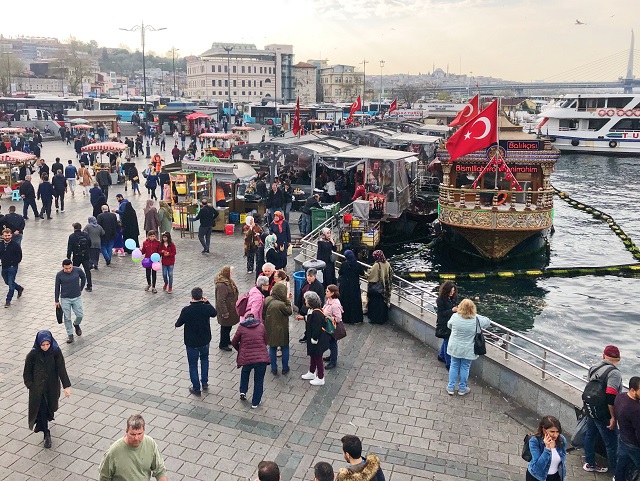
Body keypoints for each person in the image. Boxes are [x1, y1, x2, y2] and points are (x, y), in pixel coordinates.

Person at [23, 330, 71, 449]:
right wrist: (30, 385)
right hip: (38, 389)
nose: (45, 347)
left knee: (50, 407)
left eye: (47, 344)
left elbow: (61, 369)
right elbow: (27, 372)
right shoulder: (33, 354)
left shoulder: (55, 352)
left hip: (51, 387)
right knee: (42, 409)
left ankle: (43, 424)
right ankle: (46, 433)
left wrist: (66, 386)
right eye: (43, 345)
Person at [583, 345, 623, 473]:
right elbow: (611, 395)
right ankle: (617, 474)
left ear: (603, 355)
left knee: (590, 436)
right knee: (612, 444)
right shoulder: (614, 373)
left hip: (591, 408)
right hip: (604, 413)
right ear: (619, 358)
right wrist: (613, 417)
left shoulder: (594, 367)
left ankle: (589, 463)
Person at [98, 414, 167, 481]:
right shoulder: (113, 452)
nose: (136, 438)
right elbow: (104, 477)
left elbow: (160, 470)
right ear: (127, 431)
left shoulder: (150, 444)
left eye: (140, 434)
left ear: (144, 431)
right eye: (133, 434)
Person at [175, 287, 217, 396]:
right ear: (201, 296)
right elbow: (214, 313)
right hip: (204, 340)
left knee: (193, 365)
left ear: (192, 296)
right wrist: (207, 301)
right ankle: (205, 382)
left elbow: (178, 323)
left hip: (192, 343)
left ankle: (196, 388)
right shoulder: (206, 308)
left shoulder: (187, 310)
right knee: (204, 360)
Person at [446, 299, 491, 395]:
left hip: (455, 347)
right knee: (465, 367)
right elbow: (487, 321)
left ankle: (450, 387)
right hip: (468, 348)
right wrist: (476, 315)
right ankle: (462, 388)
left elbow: (449, 325)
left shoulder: (455, 316)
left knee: (454, 365)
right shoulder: (476, 319)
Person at [231, 312, 270, 408]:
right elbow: (265, 341)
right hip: (261, 358)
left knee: (245, 372)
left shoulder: (241, 327)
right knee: (259, 380)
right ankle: (255, 403)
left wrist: (240, 349)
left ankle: (243, 391)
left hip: (247, 358)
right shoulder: (261, 326)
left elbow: (234, 342)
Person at [301, 291, 330, 386]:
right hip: (313, 339)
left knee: (318, 357)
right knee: (313, 355)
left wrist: (314, 338)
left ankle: (321, 377)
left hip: (317, 340)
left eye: (306, 300)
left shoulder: (316, 313)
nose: (305, 302)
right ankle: (312, 372)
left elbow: (317, 327)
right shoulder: (313, 310)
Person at [614, 376, 640, 481]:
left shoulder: (620, 397)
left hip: (623, 437)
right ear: (633, 390)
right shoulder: (636, 410)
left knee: (622, 464)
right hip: (634, 444)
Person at [55, 259, 86, 343]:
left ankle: (76, 324)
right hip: (65, 298)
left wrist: (80, 288)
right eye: (66, 268)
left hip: (76, 297)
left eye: (70, 268)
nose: (68, 270)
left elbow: (83, 277)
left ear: (72, 265)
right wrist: (56, 300)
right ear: (63, 267)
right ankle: (70, 334)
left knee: (80, 314)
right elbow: (57, 287)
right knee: (67, 317)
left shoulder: (78, 270)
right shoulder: (59, 275)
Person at [526, 416, 567, 481]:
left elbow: (563, 459)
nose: (555, 435)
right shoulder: (534, 441)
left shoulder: (562, 440)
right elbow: (538, 467)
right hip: (537, 477)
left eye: (557, 431)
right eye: (552, 432)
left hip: (556, 476)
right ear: (544, 430)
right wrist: (547, 448)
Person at [264, 282, 293, 375]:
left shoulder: (267, 300)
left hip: (270, 328)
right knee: (285, 347)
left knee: (272, 348)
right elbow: (289, 311)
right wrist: (288, 301)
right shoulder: (281, 304)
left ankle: (274, 368)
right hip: (282, 329)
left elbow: (263, 313)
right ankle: (285, 368)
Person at [296, 268, 325, 343]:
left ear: (315, 276)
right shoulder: (305, 282)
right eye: (307, 275)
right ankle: (307, 336)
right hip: (304, 306)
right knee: (307, 322)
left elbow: (321, 300)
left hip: (312, 309)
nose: (308, 277)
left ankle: (311, 337)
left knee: (311, 323)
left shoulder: (319, 286)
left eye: (311, 276)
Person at [215, 265, 240, 351]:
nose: (232, 273)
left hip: (230, 308)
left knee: (228, 326)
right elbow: (221, 300)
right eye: (230, 272)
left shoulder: (227, 280)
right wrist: (224, 312)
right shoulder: (222, 284)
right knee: (225, 327)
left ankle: (226, 340)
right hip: (226, 310)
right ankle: (223, 344)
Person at [435, 281, 458, 370]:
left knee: (446, 340)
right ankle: (449, 363)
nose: (452, 293)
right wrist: (452, 310)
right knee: (448, 342)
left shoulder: (452, 298)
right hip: (444, 323)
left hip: (451, 322)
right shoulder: (440, 300)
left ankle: (441, 356)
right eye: (451, 291)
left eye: (453, 291)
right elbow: (440, 314)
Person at [366, 250, 393, 325]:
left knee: (375, 304)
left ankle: (375, 319)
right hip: (385, 288)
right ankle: (383, 318)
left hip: (377, 289)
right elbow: (391, 273)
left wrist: (368, 272)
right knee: (382, 304)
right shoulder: (387, 263)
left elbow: (371, 276)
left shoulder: (376, 265)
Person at [338, 250, 365, 324]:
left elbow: (340, 272)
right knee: (355, 301)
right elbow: (362, 273)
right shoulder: (357, 264)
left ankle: (346, 318)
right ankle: (356, 318)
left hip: (345, 286)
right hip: (354, 286)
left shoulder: (344, 264)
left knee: (345, 301)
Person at [66, 223, 93, 292]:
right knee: (87, 270)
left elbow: (70, 247)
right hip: (85, 255)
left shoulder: (72, 236)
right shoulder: (85, 234)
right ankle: (89, 285)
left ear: (74, 228)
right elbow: (90, 243)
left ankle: (74, 285)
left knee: (74, 270)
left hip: (77, 256)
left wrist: (68, 257)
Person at [1, 227, 24, 308]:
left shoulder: (15, 245)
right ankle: (19, 288)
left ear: (11, 235)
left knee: (10, 283)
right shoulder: (1, 244)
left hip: (12, 266)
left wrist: (14, 263)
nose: (7, 237)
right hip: (4, 266)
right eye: (5, 235)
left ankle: (8, 300)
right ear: (2, 236)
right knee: (7, 282)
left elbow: (19, 255)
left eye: (8, 235)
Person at [323, 284, 343, 370]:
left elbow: (338, 318)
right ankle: (331, 356)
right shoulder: (329, 301)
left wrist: (329, 318)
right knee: (331, 343)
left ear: (332, 293)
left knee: (333, 344)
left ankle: (333, 361)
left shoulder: (334, 305)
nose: (325, 292)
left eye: (327, 291)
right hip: (328, 326)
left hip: (332, 327)